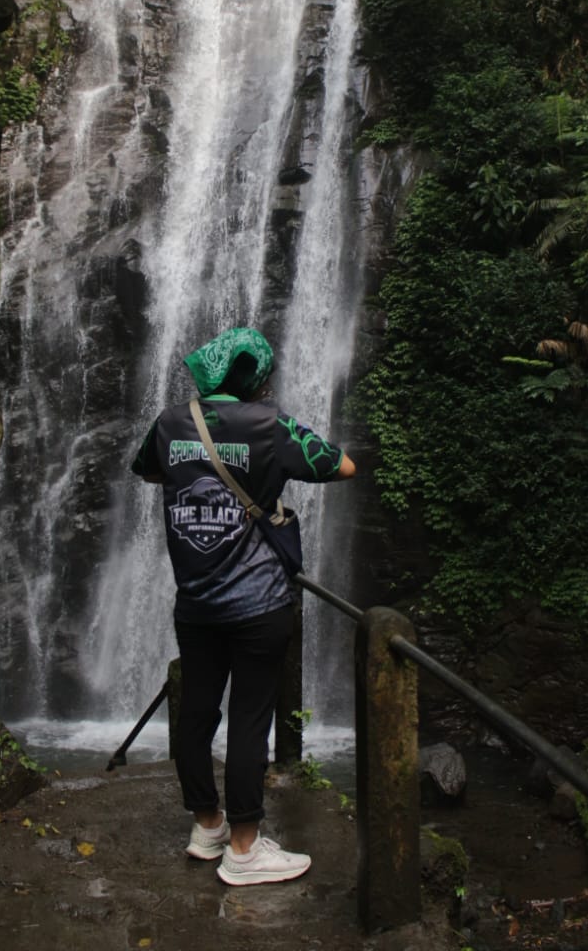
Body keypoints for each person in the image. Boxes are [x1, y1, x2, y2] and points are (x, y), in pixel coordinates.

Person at [131, 326, 356, 886]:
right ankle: (245, 848)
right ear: (255, 377)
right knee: (251, 721)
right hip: (259, 605)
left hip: (197, 604)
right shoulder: (269, 425)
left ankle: (207, 825)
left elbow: (150, 470)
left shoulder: (170, 422)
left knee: (198, 713)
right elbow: (341, 465)